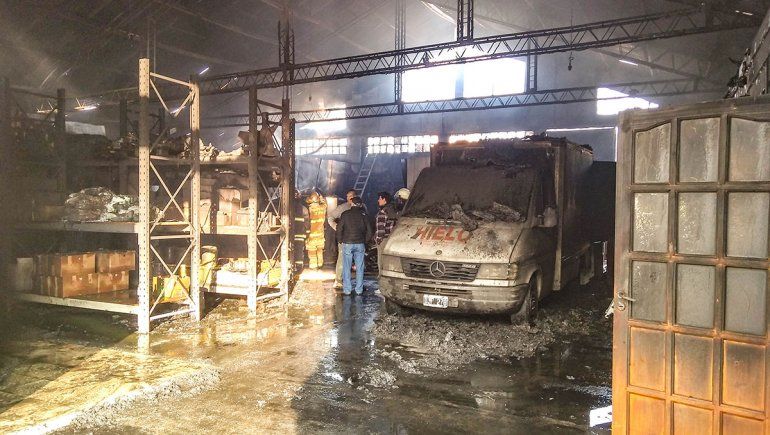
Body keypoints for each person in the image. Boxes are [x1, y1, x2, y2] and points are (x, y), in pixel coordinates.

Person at [336, 197, 372, 295]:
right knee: (360, 267)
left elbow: (339, 228)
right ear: (360, 205)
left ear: (352, 204)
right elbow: (369, 231)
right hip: (360, 243)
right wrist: (365, 241)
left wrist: (340, 240)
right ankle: (359, 290)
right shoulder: (364, 215)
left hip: (347, 243)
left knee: (346, 267)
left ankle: (347, 290)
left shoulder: (345, 214)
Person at [327, 189, 357, 288]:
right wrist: (336, 227)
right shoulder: (342, 208)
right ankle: (339, 280)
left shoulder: (362, 207)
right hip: (345, 237)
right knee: (342, 258)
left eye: (351, 196)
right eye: (347, 196)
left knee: (356, 259)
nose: (349, 198)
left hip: (357, 238)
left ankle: (353, 281)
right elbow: (330, 217)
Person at [305, 191, 327, 269]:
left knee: (312, 251)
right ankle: (320, 264)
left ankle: (313, 266)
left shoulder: (310, 208)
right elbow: (325, 203)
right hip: (320, 234)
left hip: (311, 234)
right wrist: (321, 197)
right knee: (320, 250)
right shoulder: (323, 208)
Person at [293, 190, 309, 272]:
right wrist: (307, 233)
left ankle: (291, 265)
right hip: (300, 234)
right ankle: (299, 267)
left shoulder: (287, 208)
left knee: (290, 249)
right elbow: (307, 222)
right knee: (299, 250)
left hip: (290, 235)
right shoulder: (304, 209)